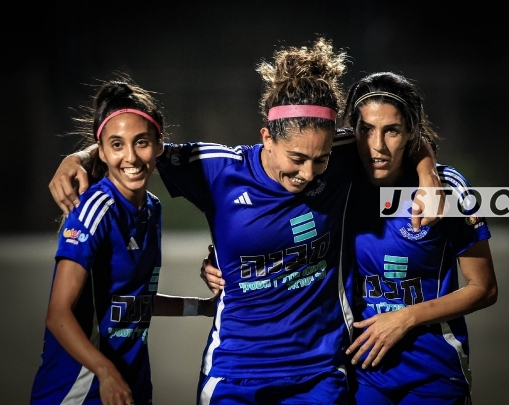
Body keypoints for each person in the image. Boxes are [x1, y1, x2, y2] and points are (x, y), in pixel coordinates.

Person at [46, 40, 441, 405]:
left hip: (319, 372)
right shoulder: (217, 169)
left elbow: (401, 138)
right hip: (234, 373)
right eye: (296, 159)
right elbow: (138, 144)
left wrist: (428, 176)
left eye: (319, 160)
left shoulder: (339, 151)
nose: (308, 173)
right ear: (267, 137)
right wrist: (77, 158)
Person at [30, 75, 215, 405]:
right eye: (117, 145)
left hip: (132, 387)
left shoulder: (152, 209)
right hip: (81, 391)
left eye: (141, 142)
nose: (130, 157)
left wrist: (202, 308)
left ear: (159, 144)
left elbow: (133, 303)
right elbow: (58, 315)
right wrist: (106, 373)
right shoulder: (94, 210)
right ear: (101, 151)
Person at [341, 72, 498, 404]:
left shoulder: (448, 189)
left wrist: (405, 318)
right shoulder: (337, 180)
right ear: (352, 130)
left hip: (433, 371)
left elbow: (483, 288)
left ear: (411, 132)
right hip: (362, 370)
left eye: (392, 130)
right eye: (366, 129)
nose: (377, 146)